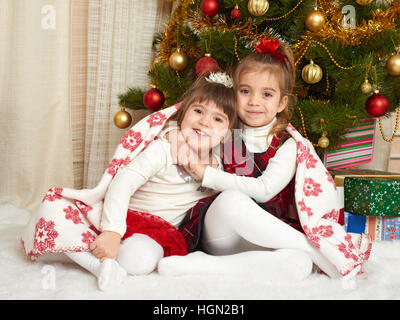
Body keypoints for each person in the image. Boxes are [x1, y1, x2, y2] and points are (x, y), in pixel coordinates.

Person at [158, 38, 371, 287]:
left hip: (266, 238)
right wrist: (174, 135)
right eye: (245, 91)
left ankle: (202, 266)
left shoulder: (288, 144)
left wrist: (207, 174)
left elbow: (264, 190)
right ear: (233, 92)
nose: (254, 101)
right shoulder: (224, 127)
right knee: (231, 199)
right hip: (221, 231)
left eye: (266, 94)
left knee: (298, 265)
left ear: (281, 102)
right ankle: (318, 253)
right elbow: (181, 123)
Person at [23, 72, 237, 291]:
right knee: (51, 209)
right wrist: (113, 231)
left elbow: (237, 191)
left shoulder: (218, 167)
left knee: (139, 260)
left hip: (155, 233)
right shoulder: (163, 149)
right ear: (182, 117)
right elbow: (123, 182)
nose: (204, 121)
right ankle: (96, 260)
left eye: (217, 119)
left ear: (225, 135)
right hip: (119, 216)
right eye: (198, 111)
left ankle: (101, 263)